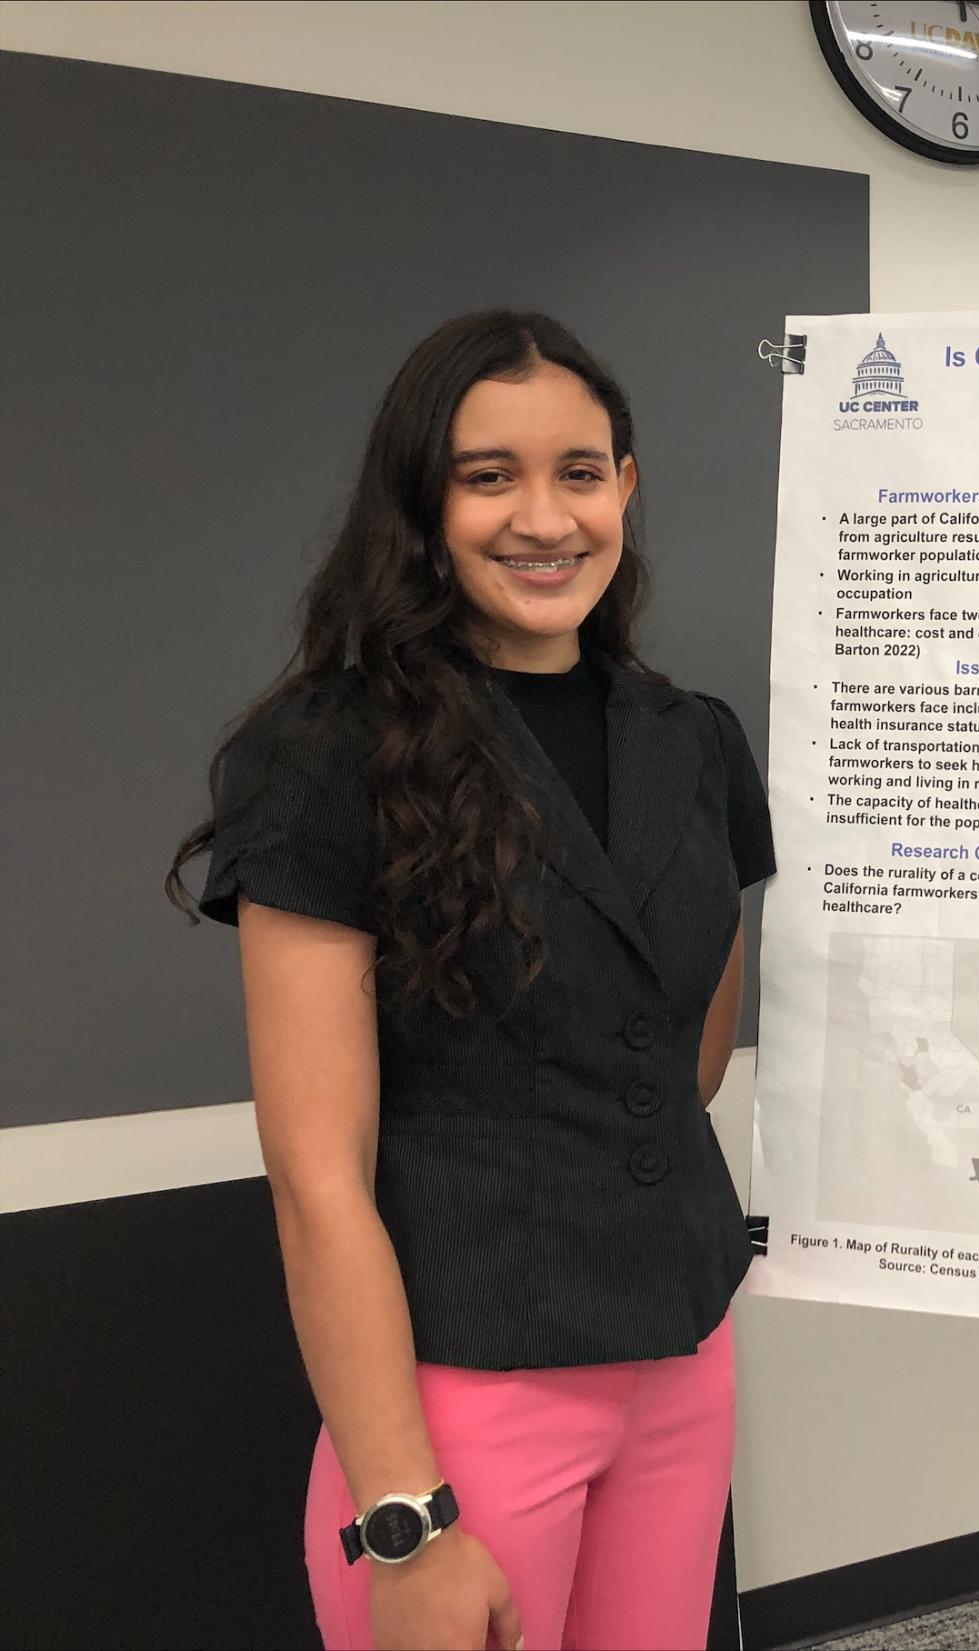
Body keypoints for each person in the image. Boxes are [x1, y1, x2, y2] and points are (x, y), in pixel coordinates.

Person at [166, 311, 775, 1651]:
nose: (543, 516)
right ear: (423, 501)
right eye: (488, 474)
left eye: (579, 470)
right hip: (465, 1386)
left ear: (627, 485)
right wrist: (404, 1515)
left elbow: (682, 1060)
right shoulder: (331, 748)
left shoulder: (695, 742)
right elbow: (318, 1170)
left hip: (679, 1355)